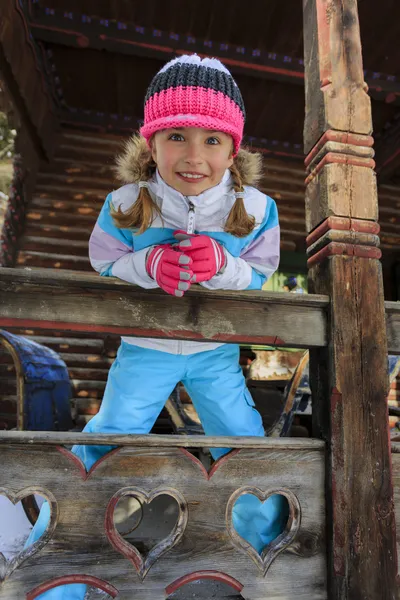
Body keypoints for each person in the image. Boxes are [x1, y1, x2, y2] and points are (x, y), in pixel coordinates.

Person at [25, 54, 287, 599]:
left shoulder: (255, 208)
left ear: (234, 148)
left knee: (243, 443)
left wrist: (223, 265)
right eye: (175, 135)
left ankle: (267, 560)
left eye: (212, 140)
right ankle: (57, 565)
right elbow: (104, 258)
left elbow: (262, 276)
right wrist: (145, 265)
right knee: (108, 435)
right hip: (144, 349)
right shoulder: (126, 203)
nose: (194, 156)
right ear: (150, 143)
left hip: (215, 350)